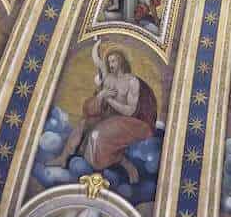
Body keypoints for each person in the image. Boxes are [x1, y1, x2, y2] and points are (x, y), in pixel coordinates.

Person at [51, 42, 156, 184]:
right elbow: (92, 106)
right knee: (83, 125)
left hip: (131, 122)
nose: (111, 64)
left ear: (121, 60)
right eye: (109, 61)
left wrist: (110, 100)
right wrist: (101, 96)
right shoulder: (109, 79)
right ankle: (63, 158)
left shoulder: (132, 81)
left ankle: (119, 164)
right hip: (111, 119)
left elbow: (130, 111)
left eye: (114, 60)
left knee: (98, 134)